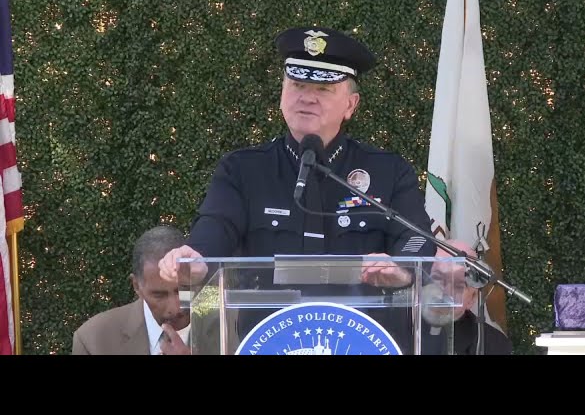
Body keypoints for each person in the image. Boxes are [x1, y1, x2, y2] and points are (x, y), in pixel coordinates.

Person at [157, 26, 437, 353]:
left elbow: (418, 237)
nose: (306, 96)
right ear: (282, 93)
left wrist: (402, 268)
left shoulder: (387, 171)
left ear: (351, 104)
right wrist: (197, 258)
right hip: (268, 343)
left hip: (365, 342)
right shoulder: (243, 170)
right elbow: (216, 227)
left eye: (322, 88)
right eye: (297, 84)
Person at [72, 225, 217, 355]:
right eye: (159, 295)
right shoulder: (93, 340)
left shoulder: (229, 325)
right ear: (136, 286)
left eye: (184, 289)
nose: (175, 307)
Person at [421, 240, 513, 355]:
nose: (445, 292)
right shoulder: (395, 321)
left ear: (472, 299)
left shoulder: (493, 345)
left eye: (458, 285)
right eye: (438, 278)